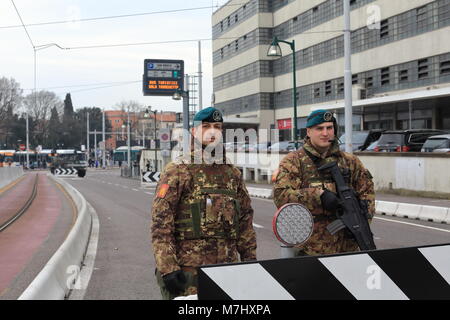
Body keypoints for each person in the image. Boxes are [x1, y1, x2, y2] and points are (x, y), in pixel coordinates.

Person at [151, 107, 257, 299]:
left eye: (217, 127)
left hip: (226, 273)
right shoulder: (178, 171)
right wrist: (168, 268)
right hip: (189, 274)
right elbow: (161, 225)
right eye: (206, 126)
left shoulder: (232, 174)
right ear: (194, 131)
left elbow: (245, 224)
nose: (212, 131)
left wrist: (250, 264)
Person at [273, 109, 375, 256]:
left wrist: (359, 224)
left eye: (329, 128)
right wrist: (318, 195)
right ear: (308, 132)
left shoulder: (350, 162)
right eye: (319, 128)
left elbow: (368, 194)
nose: (325, 133)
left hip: (347, 248)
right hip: (311, 250)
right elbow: (281, 196)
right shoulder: (294, 161)